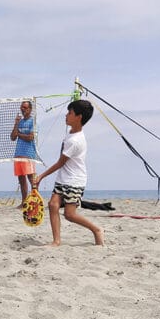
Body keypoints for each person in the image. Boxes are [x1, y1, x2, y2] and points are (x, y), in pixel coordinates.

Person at [32, 100, 104, 246]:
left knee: (69, 215)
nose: (66, 115)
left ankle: (96, 230)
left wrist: (41, 176)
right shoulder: (70, 133)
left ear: (79, 117)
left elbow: (60, 163)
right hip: (63, 178)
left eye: (70, 113)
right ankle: (56, 241)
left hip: (75, 181)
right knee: (53, 205)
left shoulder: (76, 141)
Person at [10, 100, 36, 208]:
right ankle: (24, 202)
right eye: (22, 107)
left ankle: (35, 201)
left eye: (25, 108)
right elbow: (12, 137)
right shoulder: (19, 122)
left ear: (30, 109)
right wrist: (16, 123)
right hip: (18, 154)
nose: (23, 109)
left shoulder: (33, 122)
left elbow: (30, 137)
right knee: (21, 179)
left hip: (28, 154)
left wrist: (19, 134)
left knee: (31, 179)